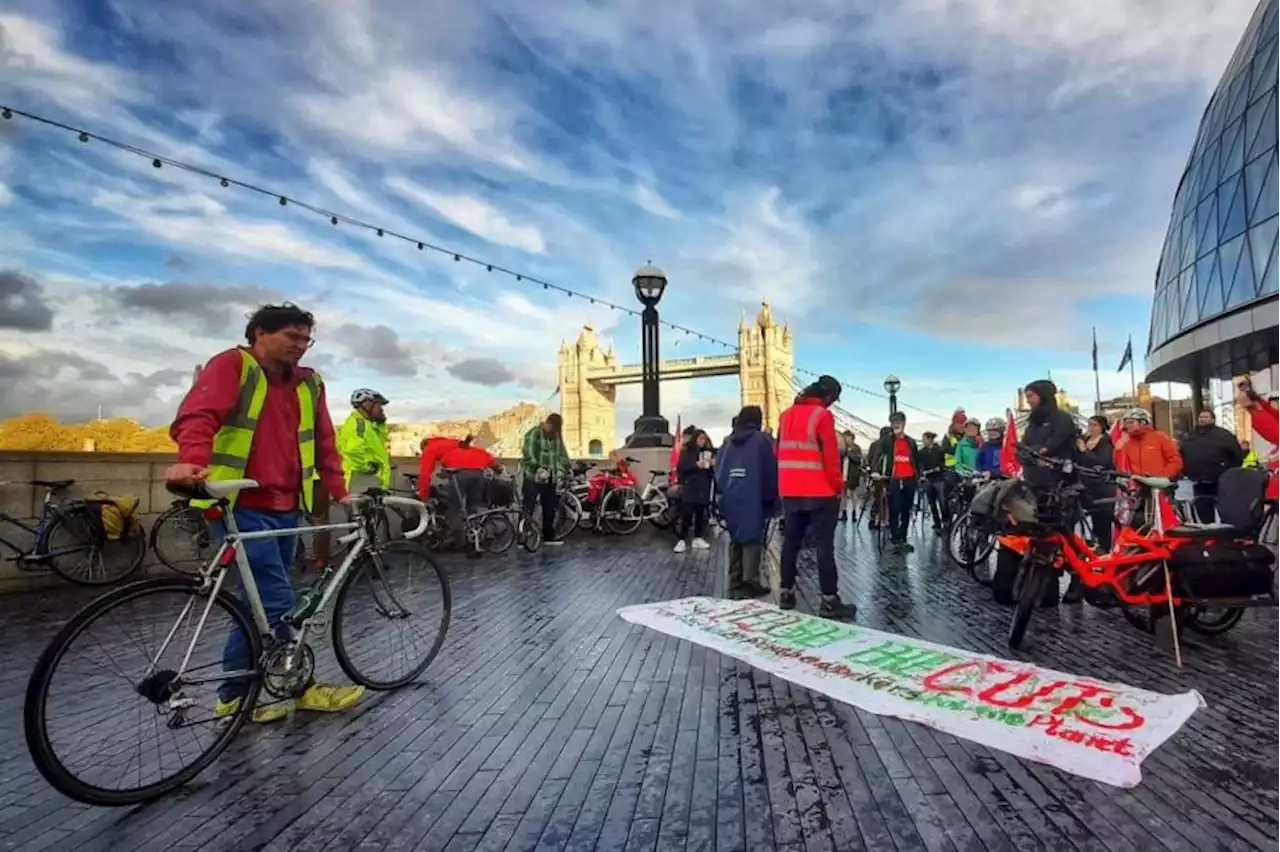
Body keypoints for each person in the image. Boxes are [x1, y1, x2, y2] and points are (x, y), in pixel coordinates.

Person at [166, 302, 363, 723]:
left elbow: (324, 439)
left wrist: (339, 490)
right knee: (278, 601)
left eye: (306, 338)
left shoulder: (310, 384)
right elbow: (197, 415)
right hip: (239, 506)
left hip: (287, 506)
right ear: (259, 333)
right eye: (292, 336)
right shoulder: (233, 365)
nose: (302, 345)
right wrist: (192, 460)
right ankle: (299, 687)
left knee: (256, 606)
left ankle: (234, 697)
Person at [777, 375, 856, 618]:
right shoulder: (822, 416)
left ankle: (786, 592)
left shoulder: (786, 414)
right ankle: (829, 600)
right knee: (824, 547)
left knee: (791, 544)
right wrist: (838, 486)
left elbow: (776, 450)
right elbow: (831, 459)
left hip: (790, 491)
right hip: (820, 492)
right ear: (829, 396)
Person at [715, 405, 776, 598]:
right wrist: (771, 498)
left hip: (731, 495)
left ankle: (735, 580)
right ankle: (751, 580)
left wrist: (723, 495)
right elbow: (770, 472)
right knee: (752, 539)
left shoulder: (727, 443)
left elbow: (720, 472)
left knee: (736, 538)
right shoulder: (762, 440)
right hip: (754, 495)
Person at [1178, 410, 1243, 523]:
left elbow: (1237, 455)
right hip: (1199, 479)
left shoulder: (1224, 435)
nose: (1202, 419)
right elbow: (1181, 454)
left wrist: (1228, 471)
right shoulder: (1191, 436)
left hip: (1220, 479)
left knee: (1225, 507)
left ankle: (1228, 531)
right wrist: (1186, 470)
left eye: (1205, 417)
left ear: (1213, 419)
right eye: (1200, 417)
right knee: (1202, 507)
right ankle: (1208, 531)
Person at [520, 413, 571, 547]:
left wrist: (567, 467)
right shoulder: (534, 433)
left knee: (550, 508)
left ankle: (548, 536)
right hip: (533, 477)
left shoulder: (556, 436)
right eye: (552, 428)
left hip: (550, 478)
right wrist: (538, 467)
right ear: (547, 424)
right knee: (528, 507)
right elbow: (528, 452)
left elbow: (562, 453)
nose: (553, 431)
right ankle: (523, 537)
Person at [873, 411, 920, 552]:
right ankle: (895, 538)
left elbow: (916, 460)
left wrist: (919, 475)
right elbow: (877, 456)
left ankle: (903, 538)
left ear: (904, 423)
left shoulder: (911, 442)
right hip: (893, 479)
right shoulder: (886, 441)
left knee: (906, 510)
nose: (896, 425)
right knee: (895, 509)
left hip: (909, 479)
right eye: (893, 422)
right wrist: (875, 471)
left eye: (898, 422)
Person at [338, 388, 391, 496]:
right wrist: (368, 468)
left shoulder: (369, 425)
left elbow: (380, 441)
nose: (381, 409)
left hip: (371, 483)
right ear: (367, 405)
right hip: (361, 484)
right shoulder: (359, 424)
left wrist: (381, 422)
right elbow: (353, 451)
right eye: (379, 405)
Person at [1076, 415, 1116, 554]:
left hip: (1102, 486)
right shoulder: (1086, 440)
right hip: (1087, 485)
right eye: (1089, 425)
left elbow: (1102, 462)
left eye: (1094, 425)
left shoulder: (1105, 442)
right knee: (1091, 516)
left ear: (1102, 427)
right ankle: (1093, 543)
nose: (1091, 428)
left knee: (1103, 519)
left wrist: (1084, 451)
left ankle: (1105, 548)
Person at [674, 430, 716, 552]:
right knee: (687, 513)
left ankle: (698, 537)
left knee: (700, 513)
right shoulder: (687, 451)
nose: (702, 441)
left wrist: (712, 465)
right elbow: (682, 468)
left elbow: (711, 472)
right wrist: (696, 465)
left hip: (703, 486)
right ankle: (682, 539)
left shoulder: (708, 452)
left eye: (704, 439)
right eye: (700, 439)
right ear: (695, 439)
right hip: (691, 486)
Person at [863, 425, 892, 528]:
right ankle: (883, 519)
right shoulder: (886, 445)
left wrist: (871, 471)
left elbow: (869, 459)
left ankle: (875, 517)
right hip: (883, 475)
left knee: (878, 497)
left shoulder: (874, 444)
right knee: (884, 497)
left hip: (877, 475)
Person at [917, 431, 946, 531]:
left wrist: (938, 468)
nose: (923, 441)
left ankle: (946, 522)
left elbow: (943, 463)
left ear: (930, 439)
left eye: (924, 439)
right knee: (932, 502)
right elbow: (918, 465)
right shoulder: (921, 452)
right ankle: (937, 523)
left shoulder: (939, 450)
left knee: (942, 502)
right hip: (928, 479)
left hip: (939, 479)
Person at [416, 435, 460, 500]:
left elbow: (425, 474)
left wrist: (423, 495)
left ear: (424, 447)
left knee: (454, 502)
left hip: (461, 473)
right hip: (478, 470)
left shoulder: (429, 449)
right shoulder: (451, 442)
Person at [839, 430, 862, 523]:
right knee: (843, 494)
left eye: (847, 438)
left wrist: (848, 453)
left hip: (852, 475)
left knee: (853, 494)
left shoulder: (856, 448)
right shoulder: (841, 447)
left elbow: (858, 459)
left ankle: (853, 513)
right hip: (843, 473)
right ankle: (843, 512)